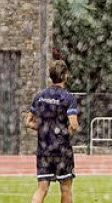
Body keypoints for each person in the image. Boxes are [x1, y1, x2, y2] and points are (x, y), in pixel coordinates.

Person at [26, 59, 79, 203]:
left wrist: (44, 128)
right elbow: (73, 125)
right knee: (66, 189)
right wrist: (65, 133)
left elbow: (28, 122)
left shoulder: (39, 96)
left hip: (43, 150)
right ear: (65, 76)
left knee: (42, 188)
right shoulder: (68, 97)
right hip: (62, 150)